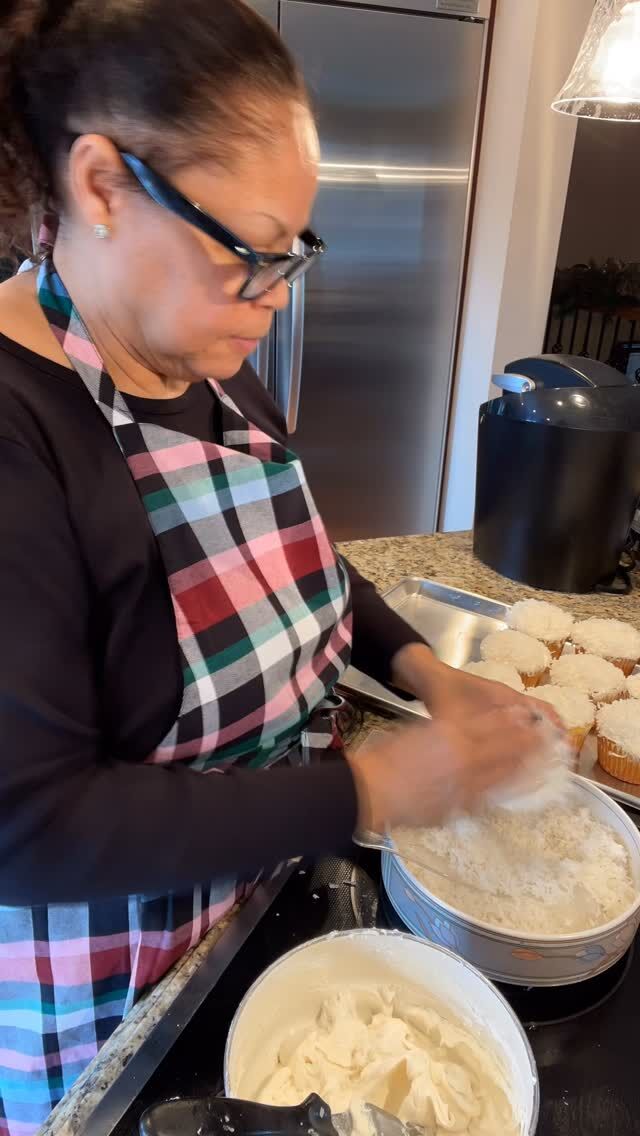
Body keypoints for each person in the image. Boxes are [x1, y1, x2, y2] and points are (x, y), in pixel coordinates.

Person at [0, 1, 553, 1131]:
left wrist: (423, 670)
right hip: (117, 1009)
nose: (275, 296)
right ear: (101, 184)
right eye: (249, 253)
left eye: (292, 251)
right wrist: (367, 789)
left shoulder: (197, 351)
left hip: (248, 913)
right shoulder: (19, 436)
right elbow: (29, 826)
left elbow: (293, 567)